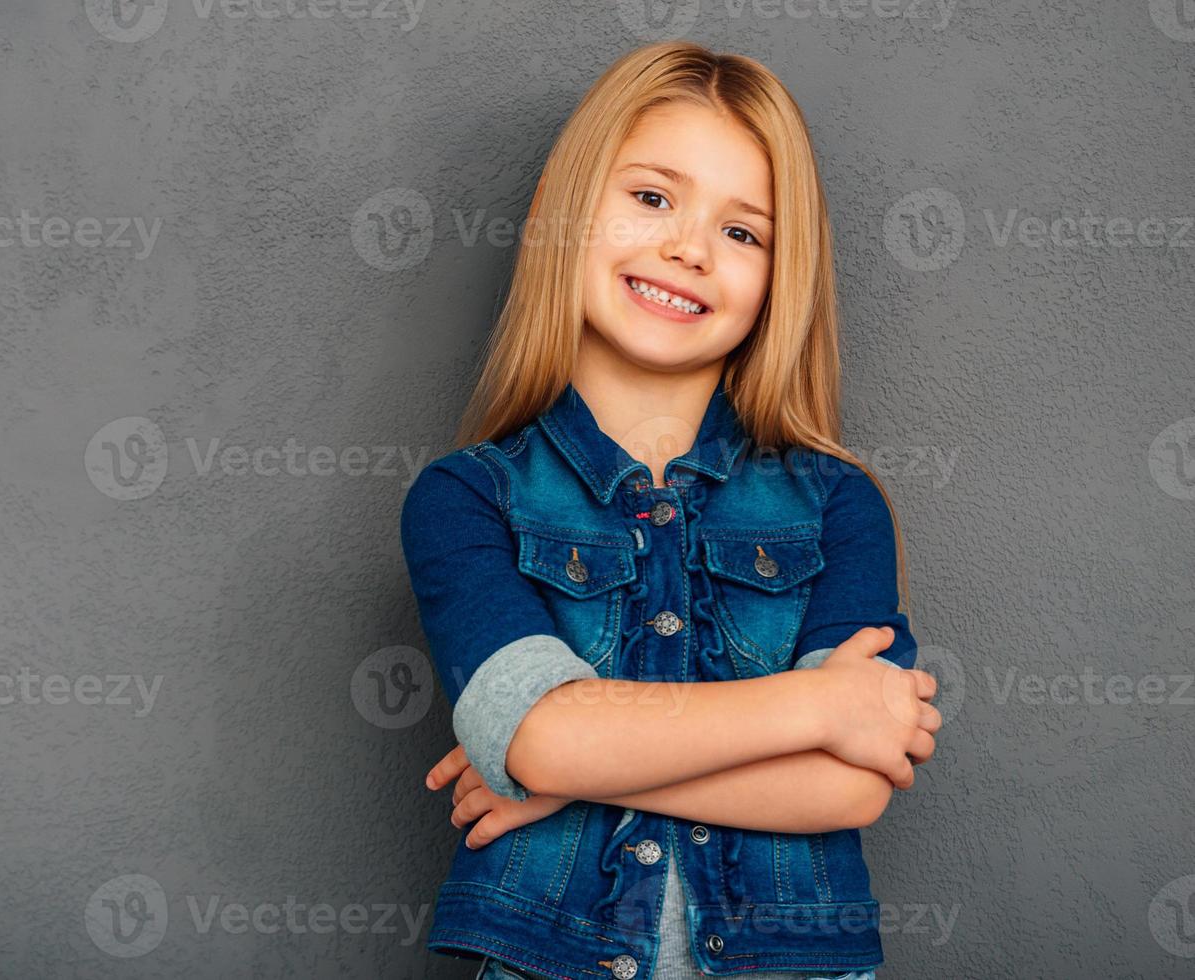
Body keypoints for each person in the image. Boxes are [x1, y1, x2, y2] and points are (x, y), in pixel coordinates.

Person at [400, 40, 943, 980]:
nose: (688, 248)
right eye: (651, 197)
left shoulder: (836, 504)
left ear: (780, 277)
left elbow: (849, 784)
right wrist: (819, 702)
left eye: (744, 232)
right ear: (564, 212)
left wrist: (577, 784)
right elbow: (547, 736)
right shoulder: (466, 499)